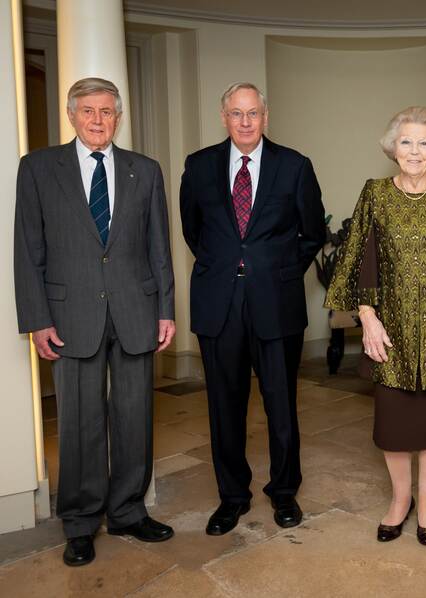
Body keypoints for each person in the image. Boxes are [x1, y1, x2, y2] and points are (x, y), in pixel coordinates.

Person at [14, 77, 176, 566]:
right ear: (72, 115)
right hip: (69, 316)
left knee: (133, 418)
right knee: (80, 422)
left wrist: (165, 309)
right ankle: (80, 522)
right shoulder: (39, 168)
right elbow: (27, 251)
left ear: (119, 117)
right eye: (88, 111)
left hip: (134, 311)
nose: (98, 120)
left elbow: (159, 249)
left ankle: (128, 511)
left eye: (107, 111)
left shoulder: (144, 171)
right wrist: (37, 319)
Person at [325, 106, 426, 546]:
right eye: (406, 142)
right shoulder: (375, 193)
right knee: (395, 426)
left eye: (423, 142)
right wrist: (367, 318)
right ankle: (401, 501)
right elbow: (360, 258)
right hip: (390, 330)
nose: (414, 151)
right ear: (391, 148)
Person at [180, 83, 326, 536]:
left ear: (266, 116)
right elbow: (193, 230)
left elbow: (313, 232)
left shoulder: (294, 166)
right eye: (236, 114)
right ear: (223, 117)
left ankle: (283, 492)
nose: (245, 122)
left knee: (281, 404)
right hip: (218, 302)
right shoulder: (200, 166)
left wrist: (279, 269)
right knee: (224, 406)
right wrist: (228, 265)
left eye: (253, 114)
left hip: (276, 302)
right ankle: (232, 497)